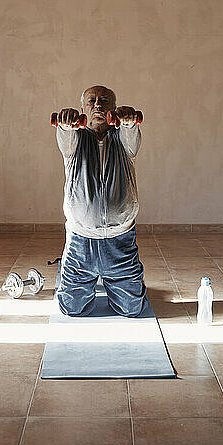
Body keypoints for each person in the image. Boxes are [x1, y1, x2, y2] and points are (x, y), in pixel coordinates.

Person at [54, 85, 146, 317]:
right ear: (82, 108)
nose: (97, 104)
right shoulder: (75, 141)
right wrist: (65, 124)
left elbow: (131, 134)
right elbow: (65, 135)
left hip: (120, 241)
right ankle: (67, 270)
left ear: (113, 109)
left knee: (132, 310)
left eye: (104, 101)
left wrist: (128, 120)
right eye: (91, 101)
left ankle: (114, 279)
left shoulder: (124, 140)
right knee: (72, 309)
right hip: (80, 242)